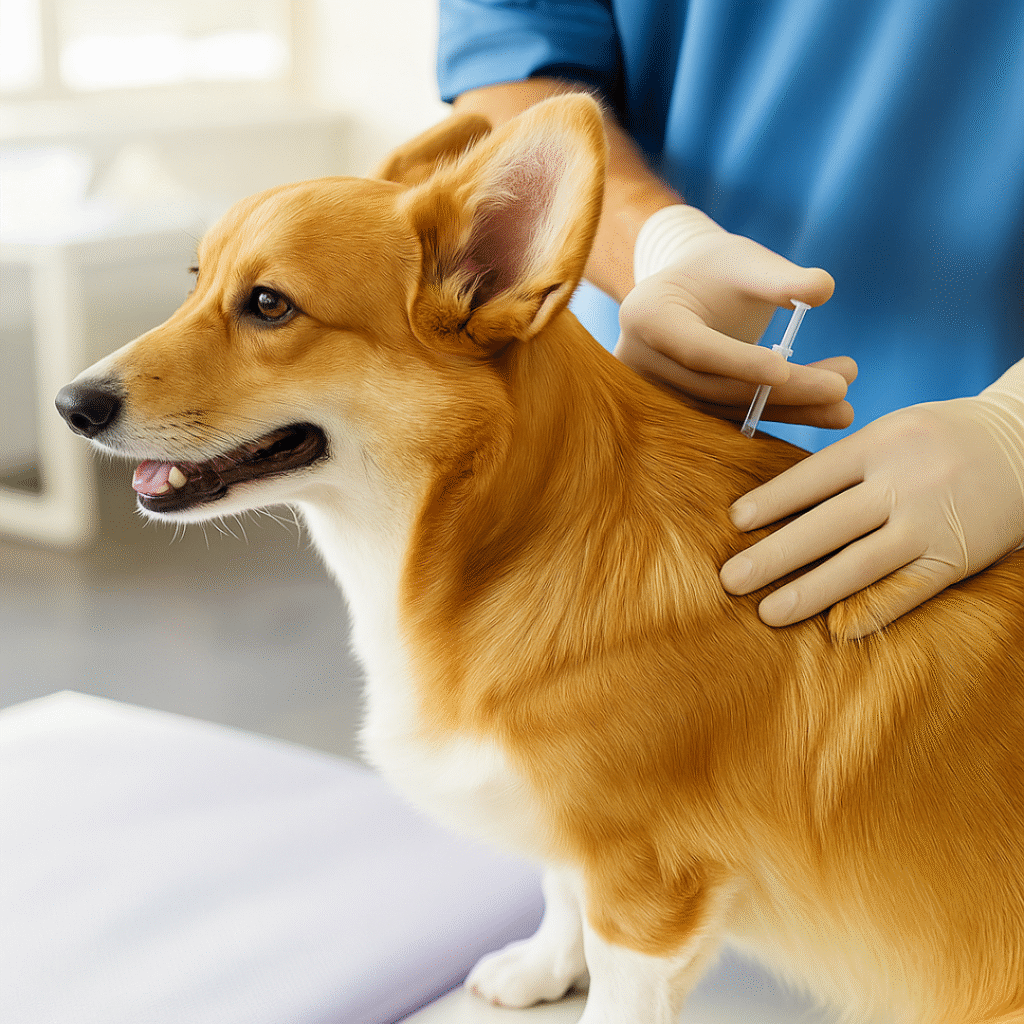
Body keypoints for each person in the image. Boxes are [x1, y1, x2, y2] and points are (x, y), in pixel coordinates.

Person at [436, 0, 1024, 638]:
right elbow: (512, 72)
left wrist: (1012, 430)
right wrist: (661, 245)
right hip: (661, 440)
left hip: (987, 515)